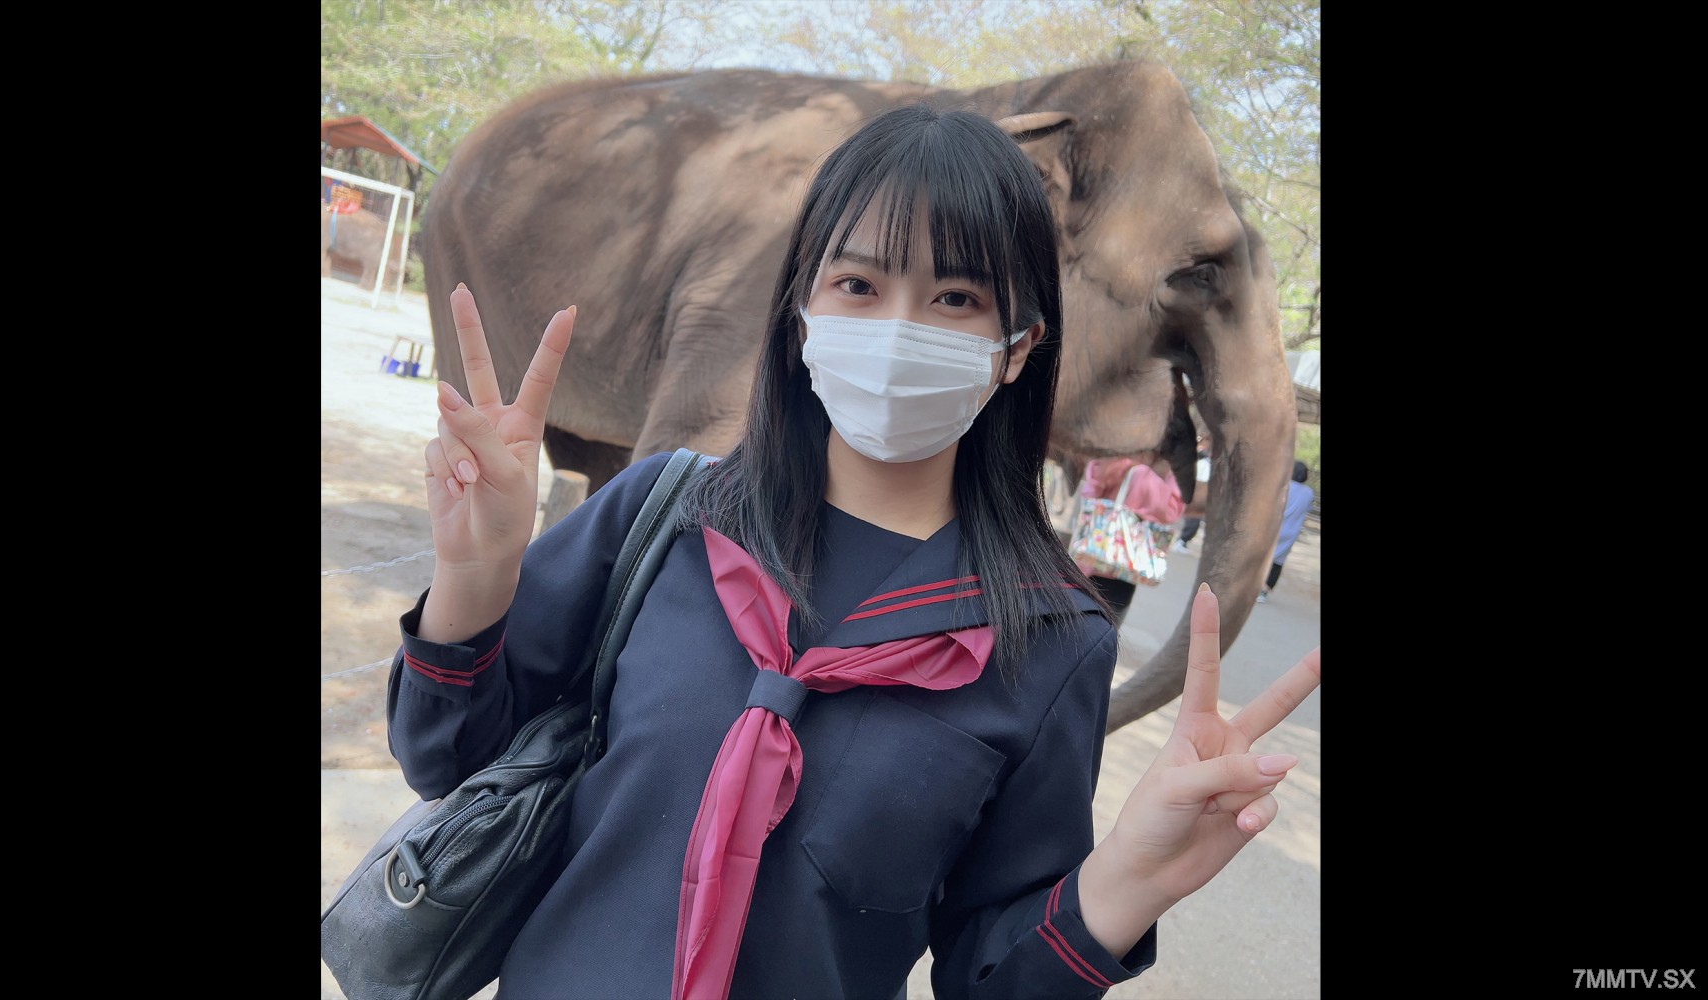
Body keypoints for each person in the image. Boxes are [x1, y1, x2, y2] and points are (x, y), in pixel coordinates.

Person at [388, 102, 1322, 1000]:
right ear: (803, 311)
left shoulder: (1049, 642)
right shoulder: (663, 514)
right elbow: (448, 760)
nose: (896, 330)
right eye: (858, 286)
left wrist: (1123, 884)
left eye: (955, 298)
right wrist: (472, 578)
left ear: (1016, 347)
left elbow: (984, 976)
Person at [1073, 451, 1184, 628]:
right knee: (1104, 628)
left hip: (1091, 557)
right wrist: (1173, 473)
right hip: (1124, 567)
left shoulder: (1113, 462)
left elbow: (1089, 492)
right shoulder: (1146, 475)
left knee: (1074, 623)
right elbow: (1171, 511)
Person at [1256, 460, 1316, 604]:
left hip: (1272, 528)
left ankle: (1252, 584)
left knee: (1261, 557)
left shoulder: (1282, 486)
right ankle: (1264, 591)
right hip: (1290, 532)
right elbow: (1308, 508)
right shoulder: (1309, 493)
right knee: (1278, 562)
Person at [1171, 435, 1212, 554]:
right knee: (1192, 518)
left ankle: (1182, 541)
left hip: (1197, 489)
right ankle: (1181, 541)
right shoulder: (1200, 458)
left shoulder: (1205, 460)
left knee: (1193, 518)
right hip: (1195, 489)